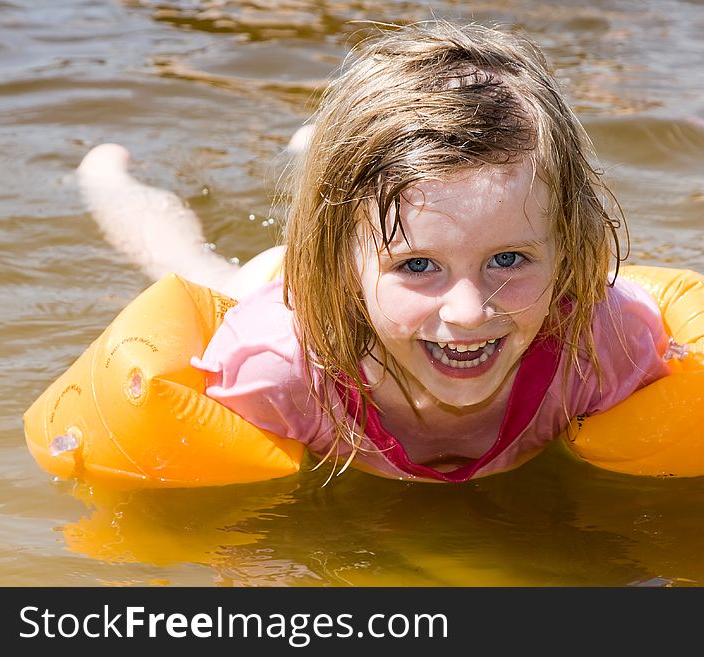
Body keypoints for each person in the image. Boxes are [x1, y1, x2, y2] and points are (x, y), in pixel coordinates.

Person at [182, 20, 672, 483]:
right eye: (418, 265)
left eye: (507, 259)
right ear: (338, 261)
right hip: (289, 294)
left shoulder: (608, 350)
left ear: (568, 246)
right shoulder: (276, 373)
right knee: (202, 267)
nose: (467, 313)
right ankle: (108, 180)